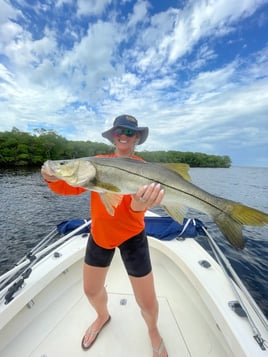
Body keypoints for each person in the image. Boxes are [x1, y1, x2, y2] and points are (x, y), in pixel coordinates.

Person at [41, 114, 168, 357]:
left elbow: (133, 210)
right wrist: (52, 175)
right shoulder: (96, 162)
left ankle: (153, 332)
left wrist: (140, 206)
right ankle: (102, 316)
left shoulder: (146, 168)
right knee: (90, 290)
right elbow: (69, 186)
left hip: (133, 236)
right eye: (118, 131)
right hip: (100, 235)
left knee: (148, 302)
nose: (123, 135)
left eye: (129, 132)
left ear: (137, 138)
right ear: (112, 137)